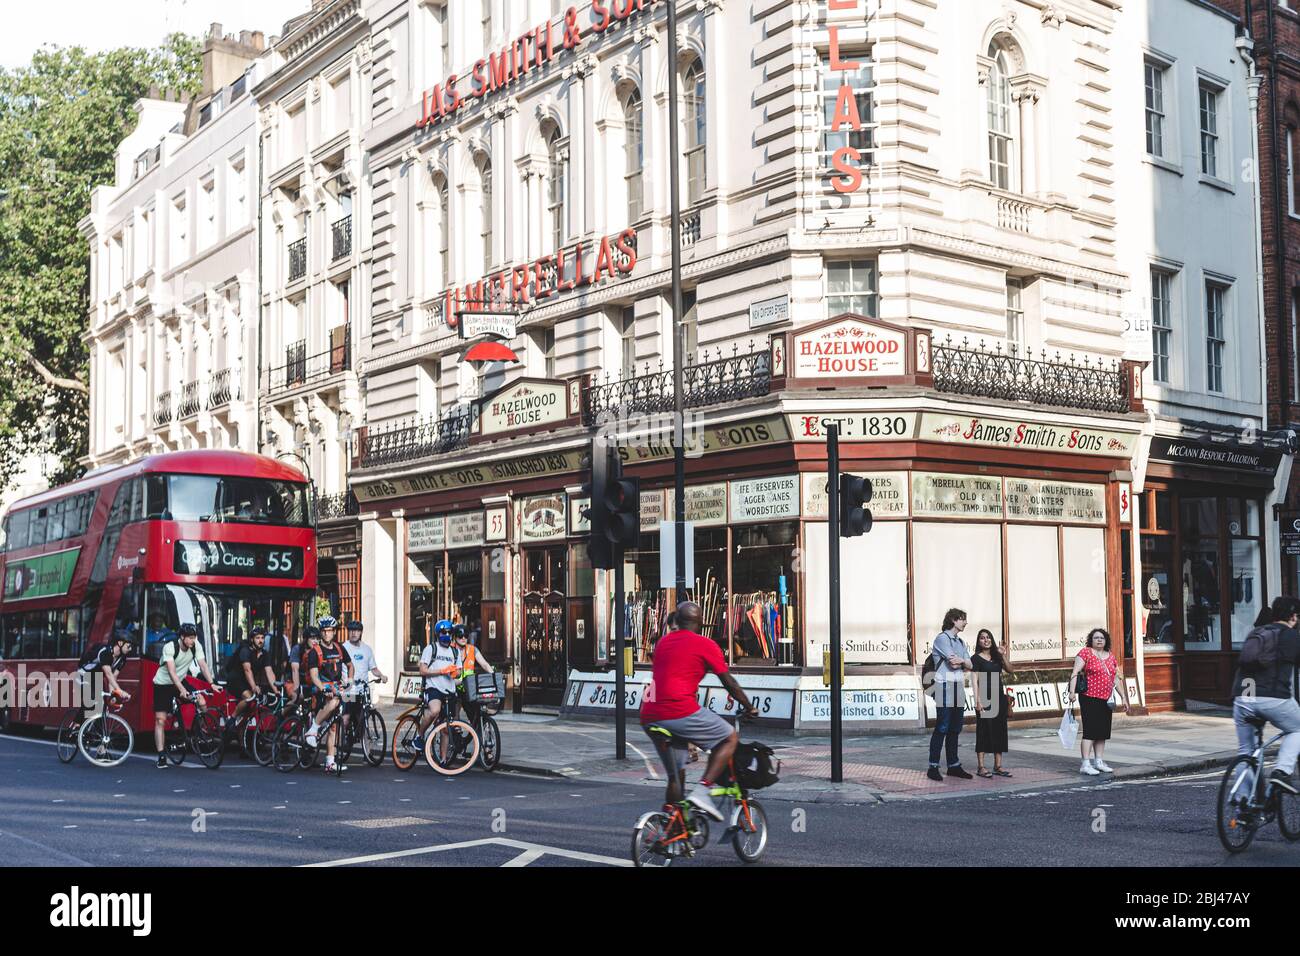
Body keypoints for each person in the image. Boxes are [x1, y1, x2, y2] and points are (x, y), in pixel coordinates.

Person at [639, 601, 754, 822]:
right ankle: (703, 792)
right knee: (729, 737)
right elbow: (728, 681)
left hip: (650, 715)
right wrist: (749, 706)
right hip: (679, 711)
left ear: (678, 621)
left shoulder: (663, 643)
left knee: (676, 774)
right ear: (700, 622)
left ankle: (672, 828)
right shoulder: (705, 644)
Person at [1231, 596, 1300, 794]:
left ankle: (1243, 806)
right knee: (1297, 729)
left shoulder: (1257, 632)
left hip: (1245, 695)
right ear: (1293, 616)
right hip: (1273, 696)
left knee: (1246, 751)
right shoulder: (1291, 636)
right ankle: (1281, 772)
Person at [1065, 627, 1131, 774]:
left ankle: (1099, 761)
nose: (1099, 640)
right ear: (1091, 640)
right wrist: (1071, 692)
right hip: (1089, 697)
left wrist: (1124, 697)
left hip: (1106, 699)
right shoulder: (1086, 653)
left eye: (1102, 638)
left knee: (1102, 732)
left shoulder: (1111, 656)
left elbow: (1115, 678)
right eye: (1096, 638)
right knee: (1090, 731)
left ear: (1106, 640)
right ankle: (1085, 764)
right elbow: (1075, 672)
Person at [152, 623, 217, 769]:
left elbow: (203, 665)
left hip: (180, 680)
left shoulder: (195, 646)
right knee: (160, 720)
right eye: (190, 638)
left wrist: (211, 683)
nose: (193, 641)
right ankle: (161, 755)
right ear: (182, 637)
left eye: (194, 638)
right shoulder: (170, 647)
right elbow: (171, 672)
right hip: (163, 683)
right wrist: (181, 690)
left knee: (201, 700)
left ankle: (201, 732)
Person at [926, 608, 973, 782]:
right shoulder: (942, 639)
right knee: (942, 727)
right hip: (944, 685)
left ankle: (953, 765)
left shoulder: (960, 642)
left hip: (958, 685)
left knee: (955, 728)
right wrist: (963, 662)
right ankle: (933, 766)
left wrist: (962, 662)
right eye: (963, 619)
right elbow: (954, 663)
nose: (965, 623)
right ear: (954, 620)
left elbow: (971, 664)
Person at [303, 617, 352, 774]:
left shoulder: (339, 648)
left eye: (329, 631)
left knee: (334, 726)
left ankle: (330, 762)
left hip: (336, 686)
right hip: (319, 688)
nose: (327, 634)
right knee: (334, 701)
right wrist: (323, 688)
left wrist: (349, 680)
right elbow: (314, 676)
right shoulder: (314, 652)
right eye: (324, 631)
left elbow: (350, 666)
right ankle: (313, 728)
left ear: (334, 632)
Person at [971, 628, 1013, 778]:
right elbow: (974, 681)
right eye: (982, 638)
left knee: (999, 731)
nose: (986, 640)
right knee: (982, 731)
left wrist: (1003, 655)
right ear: (978, 641)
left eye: (988, 637)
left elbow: (1010, 670)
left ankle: (998, 766)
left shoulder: (997, 657)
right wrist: (977, 700)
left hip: (999, 698)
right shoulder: (975, 658)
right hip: (984, 699)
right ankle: (981, 767)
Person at [223, 625, 276, 738]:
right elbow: (247, 670)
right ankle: (232, 719)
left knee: (252, 707)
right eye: (257, 638)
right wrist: (253, 686)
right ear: (252, 639)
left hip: (248, 681)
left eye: (262, 638)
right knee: (249, 697)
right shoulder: (245, 650)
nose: (261, 640)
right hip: (235, 680)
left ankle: (243, 733)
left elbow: (269, 671)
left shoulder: (264, 654)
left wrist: (276, 689)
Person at [417, 620, 461, 746]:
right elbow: (422, 670)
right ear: (438, 634)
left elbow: (459, 672)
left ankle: (442, 761)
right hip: (433, 688)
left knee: (446, 729)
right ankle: (420, 736)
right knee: (434, 711)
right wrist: (441, 671)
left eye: (448, 632)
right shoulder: (431, 649)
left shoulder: (455, 652)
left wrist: (454, 672)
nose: (446, 634)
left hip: (449, 691)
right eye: (443, 632)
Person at [342, 619, 387, 736]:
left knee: (362, 718)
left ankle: (366, 749)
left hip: (363, 689)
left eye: (356, 631)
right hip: (348, 689)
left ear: (361, 632)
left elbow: (373, 668)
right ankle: (339, 744)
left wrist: (381, 675)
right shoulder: (343, 648)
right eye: (351, 631)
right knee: (345, 718)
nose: (353, 633)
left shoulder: (367, 649)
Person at [78, 628, 135, 709]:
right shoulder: (105, 652)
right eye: (129, 646)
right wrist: (120, 691)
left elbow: (113, 677)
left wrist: (113, 695)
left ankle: (96, 721)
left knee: (102, 705)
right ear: (120, 643)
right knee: (91, 703)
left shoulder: (122, 659)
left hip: (96, 677)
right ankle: (78, 722)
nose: (130, 649)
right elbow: (108, 674)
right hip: (83, 675)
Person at [453, 623, 493, 726]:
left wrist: (493, 674)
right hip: (454, 685)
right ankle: (455, 729)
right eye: (460, 636)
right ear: (454, 637)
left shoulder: (472, 649)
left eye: (466, 636)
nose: (463, 638)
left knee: (475, 713)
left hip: (468, 687)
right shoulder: (450, 650)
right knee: (455, 709)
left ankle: (476, 732)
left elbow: (484, 664)